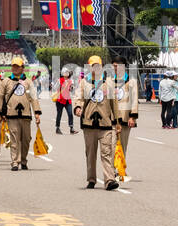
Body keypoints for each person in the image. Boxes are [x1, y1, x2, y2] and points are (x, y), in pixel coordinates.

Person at [74, 55, 120, 191]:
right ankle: (91, 179)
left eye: (98, 65)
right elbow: (78, 97)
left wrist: (117, 122)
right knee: (90, 153)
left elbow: (114, 104)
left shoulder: (109, 83)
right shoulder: (84, 83)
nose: (96, 68)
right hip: (89, 124)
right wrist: (77, 107)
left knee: (107, 152)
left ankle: (109, 180)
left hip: (105, 124)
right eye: (93, 65)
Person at [2, 55, 41, 171]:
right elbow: (1, 98)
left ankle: (23, 160)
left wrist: (37, 113)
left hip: (26, 115)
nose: (15, 68)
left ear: (23, 68)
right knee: (14, 138)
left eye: (17, 66)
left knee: (26, 139)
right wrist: (0, 113)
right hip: (11, 115)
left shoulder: (28, 82)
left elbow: (33, 98)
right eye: (13, 66)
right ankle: (15, 161)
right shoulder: (6, 81)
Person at [112, 60, 138, 179]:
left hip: (125, 117)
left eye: (116, 66)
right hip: (112, 118)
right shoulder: (110, 81)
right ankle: (111, 169)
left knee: (122, 145)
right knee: (111, 145)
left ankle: (120, 168)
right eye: (113, 66)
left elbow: (134, 100)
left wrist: (132, 117)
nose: (115, 68)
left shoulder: (131, 82)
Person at [53, 68, 75, 135]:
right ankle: (57, 128)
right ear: (63, 73)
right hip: (60, 100)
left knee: (70, 113)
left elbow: (71, 90)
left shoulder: (71, 81)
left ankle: (71, 128)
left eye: (67, 72)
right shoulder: (59, 80)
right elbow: (55, 88)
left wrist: (71, 88)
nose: (67, 73)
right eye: (65, 72)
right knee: (59, 114)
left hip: (68, 100)